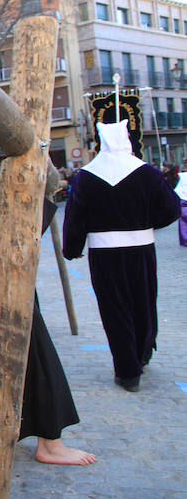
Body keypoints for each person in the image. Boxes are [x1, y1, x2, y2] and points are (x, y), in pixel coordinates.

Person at [0, 139, 95, 466]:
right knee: (37, 357)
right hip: (4, 289)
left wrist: (30, 152)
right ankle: (50, 443)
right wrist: (41, 194)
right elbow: (22, 226)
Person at [62, 120, 180, 391]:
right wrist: (146, 224)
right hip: (141, 249)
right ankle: (142, 353)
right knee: (143, 302)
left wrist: (72, 249)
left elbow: (75, 218)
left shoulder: (86, 176)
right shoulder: (148, 173)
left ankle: (128, 371)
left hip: (105, 254)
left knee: (115, 309)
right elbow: (171, 209)